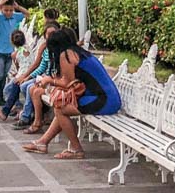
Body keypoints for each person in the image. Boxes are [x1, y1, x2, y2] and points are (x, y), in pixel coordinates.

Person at [22, 28, 121, 159]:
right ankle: (42, 143)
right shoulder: (78, 52)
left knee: (60, 109)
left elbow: (67, 83)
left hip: (103, 100)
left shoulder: (66, 55)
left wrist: (49, 80)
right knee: (61, 107)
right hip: (107, 97)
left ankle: (76, 149)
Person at [0, 21, 61, 125]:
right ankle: (26, 111)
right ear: (45, 36)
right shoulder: (46, 49)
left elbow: (50, 69)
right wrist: (27, 77)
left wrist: (27, 77)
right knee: (21, 84)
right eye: (49, 34)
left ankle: (26, 116)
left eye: (54, 34)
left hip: (52, 81)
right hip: (42, 77)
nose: (52, 37)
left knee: (28, 87)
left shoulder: (59, 50)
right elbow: (41, 66)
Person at [0, 0, 30, 108]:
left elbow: (28, 15)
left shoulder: (16, 16)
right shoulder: (0, 18)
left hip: (10, 52)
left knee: (4, 75)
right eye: (6, 10)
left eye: (10, 10)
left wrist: (18, 7)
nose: (9, 12)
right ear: (2, 10)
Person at [0, 29, 31, 121]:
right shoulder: (28, 48)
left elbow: (19, 67)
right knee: (10, 87)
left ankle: (8, 110)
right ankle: (16, 107)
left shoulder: (14, 54)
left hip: (24, 75)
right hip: (27, 73)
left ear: (12, 42)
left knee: (10, 87)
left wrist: (18, 76)